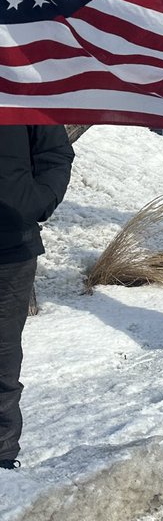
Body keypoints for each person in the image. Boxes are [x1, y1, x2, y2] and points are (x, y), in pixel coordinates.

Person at [0, 124, 74, 470]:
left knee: (1, 351)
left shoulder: (23, 84)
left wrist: (32, 202)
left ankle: (1, 453)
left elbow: (55, 154)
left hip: (10, 245)